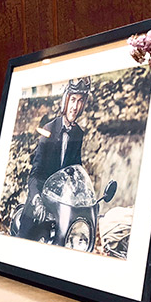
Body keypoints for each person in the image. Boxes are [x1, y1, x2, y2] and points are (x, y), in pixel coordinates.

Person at [17, 77, 91, 240]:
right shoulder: (49, 129)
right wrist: (37, 200)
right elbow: (35, 174)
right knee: (25, 239)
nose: (75, 107)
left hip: (59, 205)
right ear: (65, 100)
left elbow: (75, 168)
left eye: (80, 101)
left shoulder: (78, 133)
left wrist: (82, 193)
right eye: (73, 100)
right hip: (39, 204)